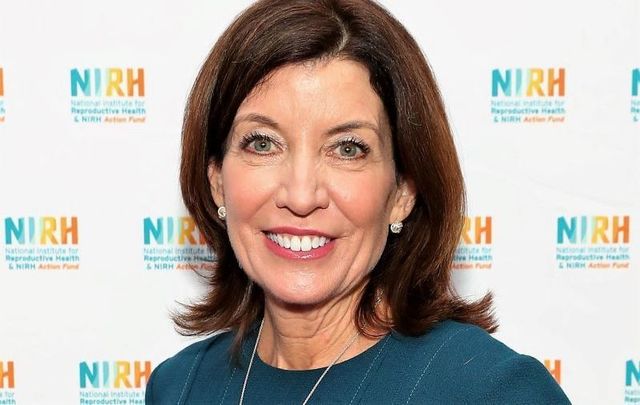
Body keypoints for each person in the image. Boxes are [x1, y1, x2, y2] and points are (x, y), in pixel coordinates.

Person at [146, 0, 571, 403]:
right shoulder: (179, 387)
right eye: (262, 144)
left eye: (347, 149)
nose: (300, 195)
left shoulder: (489, 392)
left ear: (403, 191)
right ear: (217, 180)